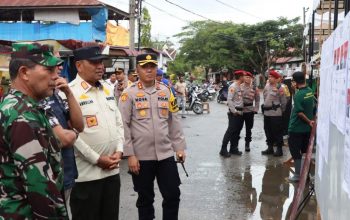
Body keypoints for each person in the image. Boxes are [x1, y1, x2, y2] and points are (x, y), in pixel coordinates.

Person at [0, 42, 67, 218]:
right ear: (24, 73)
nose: (55, 77)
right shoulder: (23, 116)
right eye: (49, 70)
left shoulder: (14, 104)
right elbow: (39, 187)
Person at [118, 53, 187, 220]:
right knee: (145, 199)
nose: (149, 70)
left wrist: (179, 148)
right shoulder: (128, 94)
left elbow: (174, 121)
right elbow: (123, 126)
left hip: (165, 154)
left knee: (172, 194)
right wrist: (130, 155)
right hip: (141, 157)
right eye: (144, 67)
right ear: (137, 70)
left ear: (156, 69)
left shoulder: (166, 91)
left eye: (152, 67)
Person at [69, 46, 124, 220]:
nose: (100, 66)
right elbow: (72, 135)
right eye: (94, 62)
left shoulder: (107, 89)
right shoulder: (69, 93)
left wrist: (119, 150)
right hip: (86, 176)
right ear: (79, 65)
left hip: (112, 172)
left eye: (101, 61)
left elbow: (118, 123)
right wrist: (97, 159)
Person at [40, 56, 84, 217]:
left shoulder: (55, 94)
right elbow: (64, 139)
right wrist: (75, 134)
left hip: (65, 173)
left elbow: (79, 125)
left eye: (58, 66)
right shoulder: (37, 98)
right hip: (48, 180)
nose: (58, 70)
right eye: (51, 68)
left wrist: (68, 92)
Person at [287, 71, 315, 182]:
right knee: (304, 151)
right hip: (306, 129)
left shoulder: (299, 95)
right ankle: (305, 175)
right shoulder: (310, 91)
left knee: (295, 152)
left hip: (296, 128)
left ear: (295, 82)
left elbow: (299, 112)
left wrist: (309, 121)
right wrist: (310, 122)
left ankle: (298, 175)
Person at [261, 70, 287, 157]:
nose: (269, 78)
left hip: (275, 113)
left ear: (276, 79)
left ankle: (279, 149)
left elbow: (283, 101)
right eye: (269, 77)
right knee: (267, 131)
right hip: (267, 113)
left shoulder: (280, 87)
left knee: (277, 132)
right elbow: (265, 97)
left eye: (271, 77)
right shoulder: (267, 86)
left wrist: (281, 110)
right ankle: (270, 148)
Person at [219, 70, 245, 157]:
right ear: (240, 77)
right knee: (230, 131)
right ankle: (223, 149)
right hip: (235, 113)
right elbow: (229, 100)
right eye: (244, 76)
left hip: (240, 112)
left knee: (236, 132)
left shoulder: (240, 86)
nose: (244, 78)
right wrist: (233, 111)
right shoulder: (233, 86)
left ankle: (233, 148)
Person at [241, 71, 260, 152]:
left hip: (249, 110)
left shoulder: (254, 88)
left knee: (248, 129)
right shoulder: (240, 86)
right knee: (238, 128)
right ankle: (234, 145)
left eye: (249, 77)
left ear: (251, 78)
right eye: (246, 77)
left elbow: (257, 100)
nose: (248, 79)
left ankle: (247, 144)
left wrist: (256, 109)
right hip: (240, 110)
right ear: (244, 78)